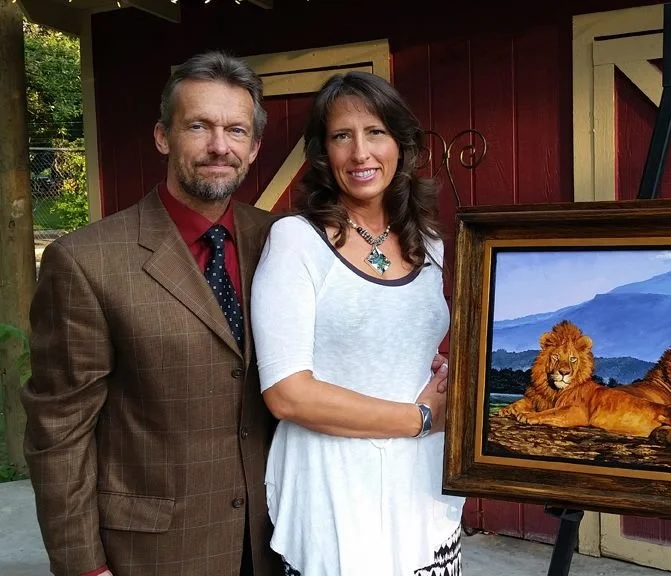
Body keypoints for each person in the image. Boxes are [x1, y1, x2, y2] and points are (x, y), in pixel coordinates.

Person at [22, 51, 283, 576]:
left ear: (253, 147)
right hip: (153, 551)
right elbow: (59, 429)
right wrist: (81, 565)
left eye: (235, 130)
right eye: (198, 126)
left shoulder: (279, 241)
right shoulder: (86, 260)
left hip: (274, 538)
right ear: (163, 137)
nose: (218, 146)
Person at [250, 70, 464, 576]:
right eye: (342, 136)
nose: (360, 153)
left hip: (419, 486)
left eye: (376, 133)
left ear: (401, 144)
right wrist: (421, 418)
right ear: (324, 153)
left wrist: (447, 368)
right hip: (337, 488)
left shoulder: (428, 242)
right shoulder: (296, 243)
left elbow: (408, 343)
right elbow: (287, 392)